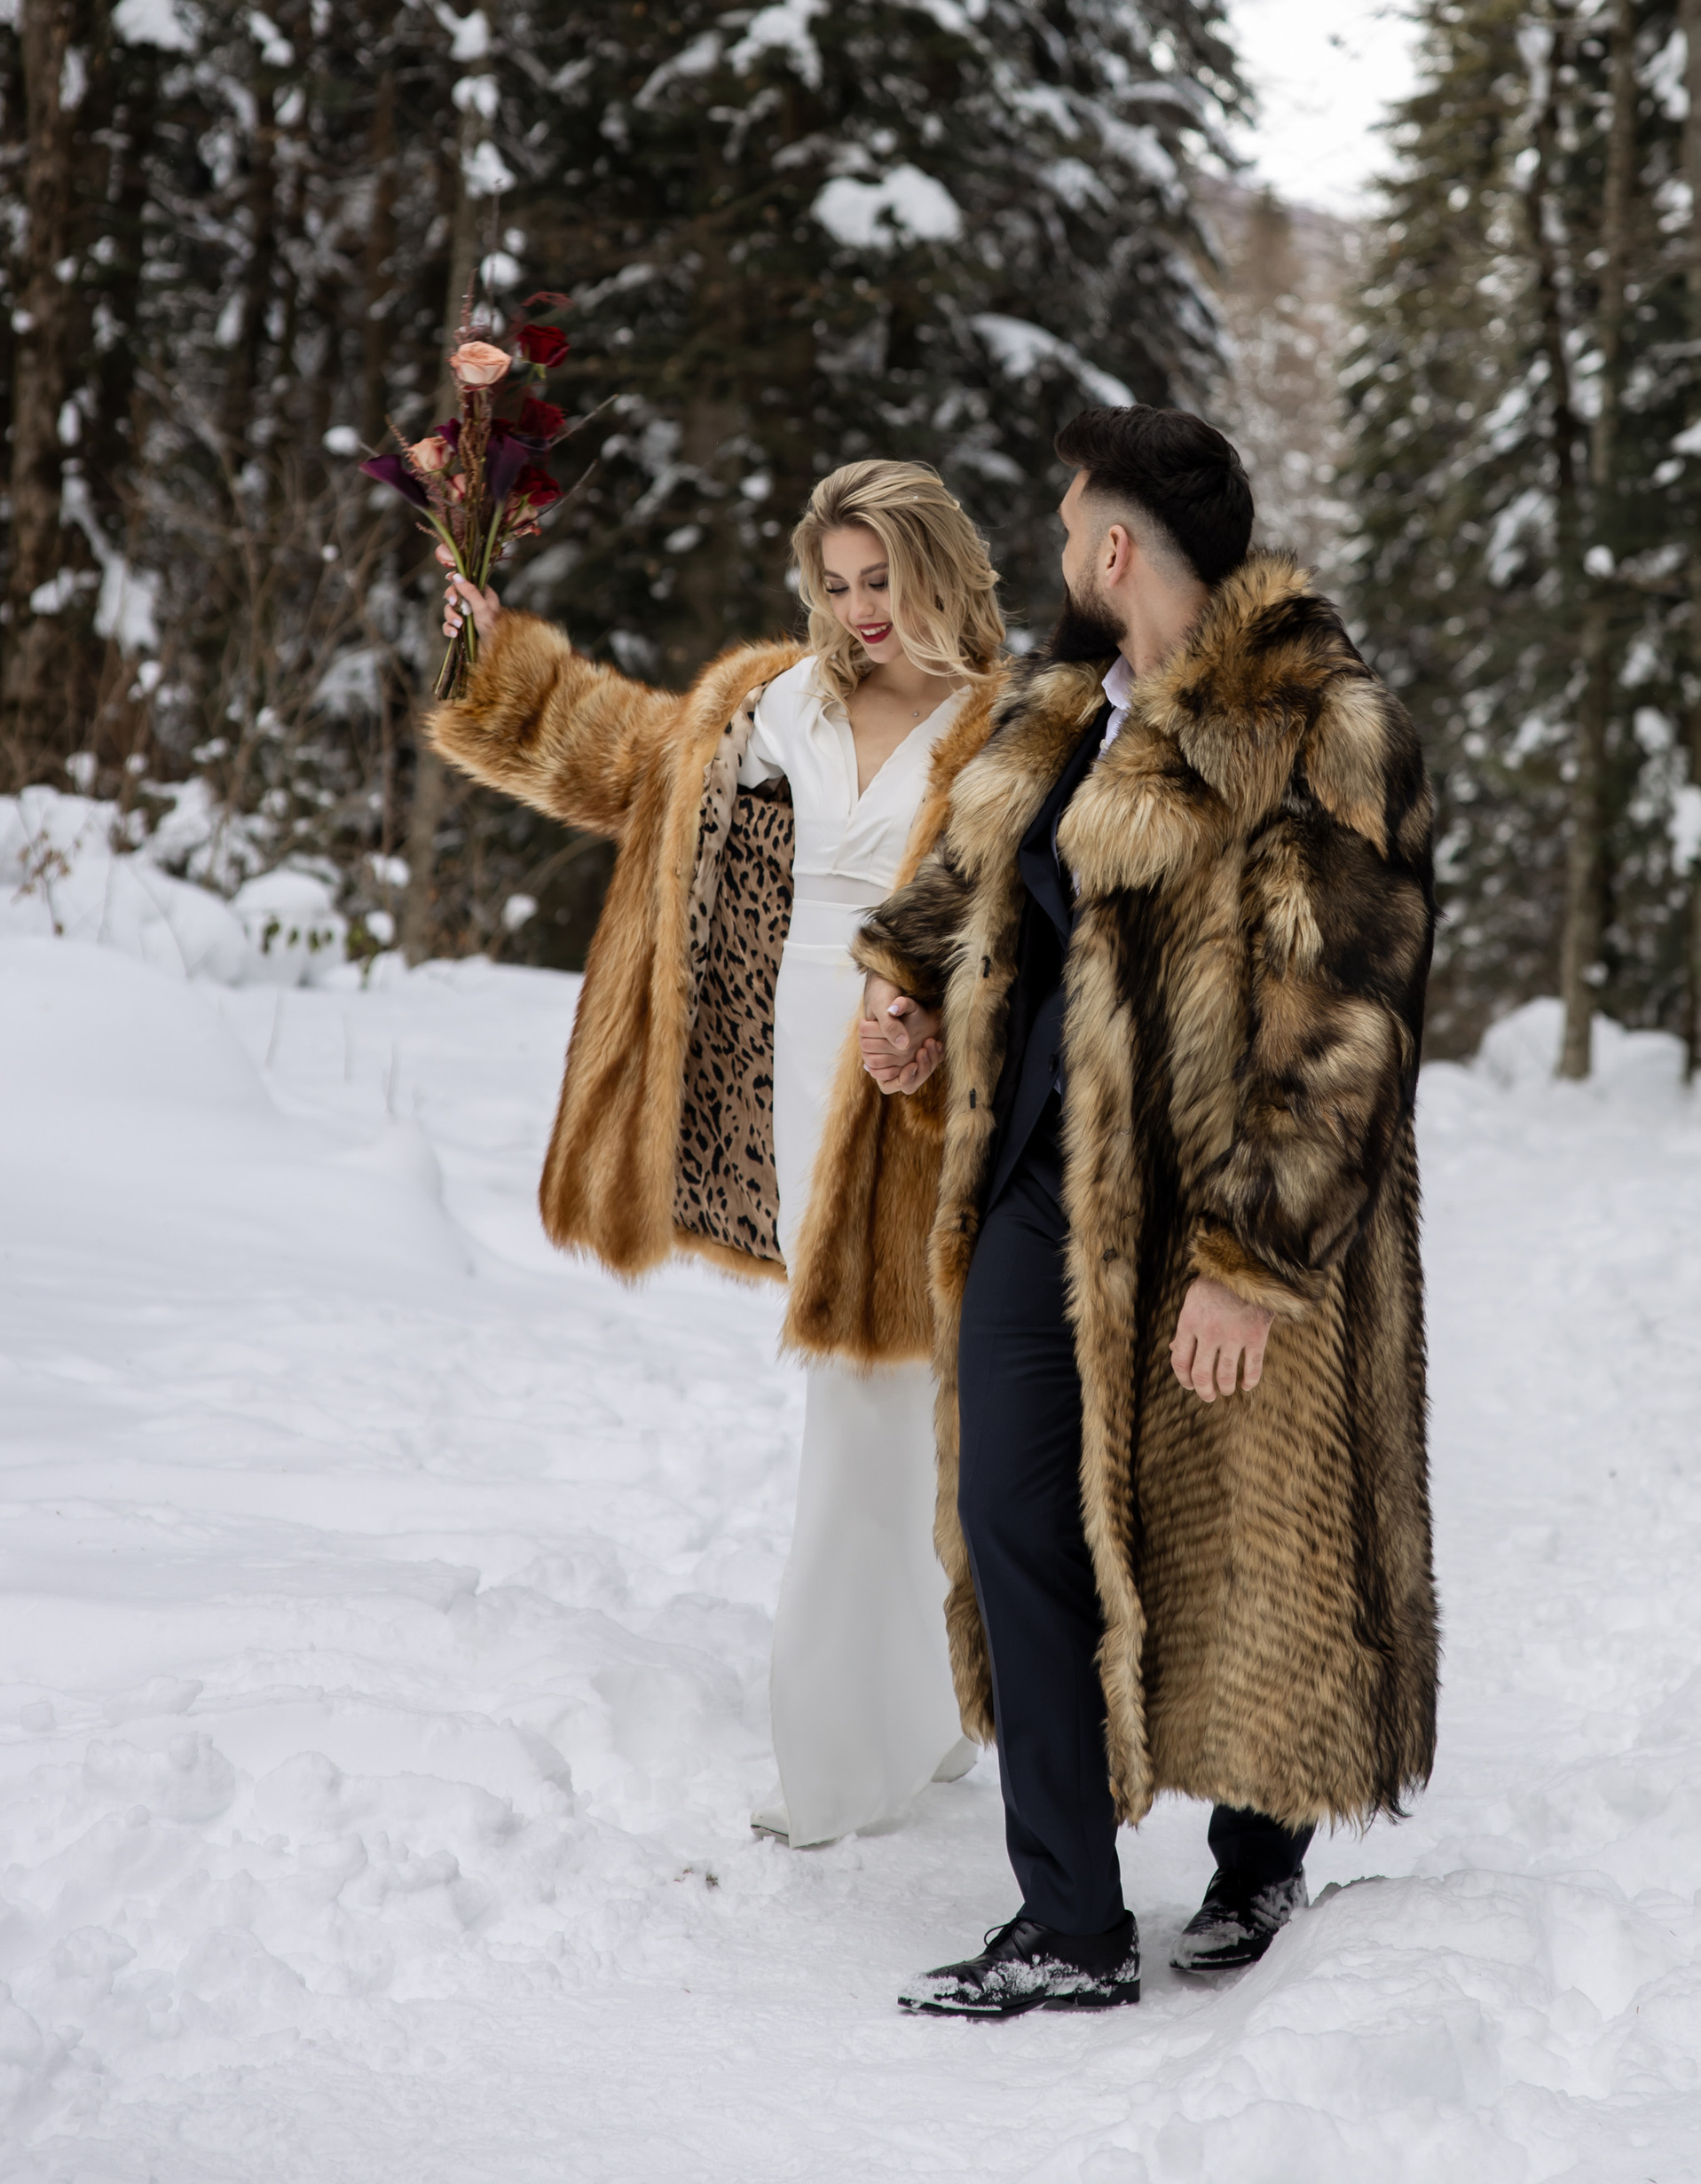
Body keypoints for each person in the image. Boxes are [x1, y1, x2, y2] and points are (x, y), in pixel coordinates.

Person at [855, 405, 1439, 2018]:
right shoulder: (1059, 709)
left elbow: (1347, 1015)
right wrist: (911, 991)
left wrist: (1252, 1264)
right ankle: (1068, 1919)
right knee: (1014, 1514)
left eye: (1063, 527)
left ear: (1117, 548)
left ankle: (1261, 1860)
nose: (1054, 556)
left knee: (1258, 1529)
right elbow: (975, 889)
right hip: (1047, 1171)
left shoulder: (1320, 721)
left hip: (1230, 1198)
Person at [427, 458, 1007, 1847]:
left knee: (911, 1402)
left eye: (886, 580)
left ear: (944, 569)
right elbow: (608, 753)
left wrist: (940, 1011)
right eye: (838, 583)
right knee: (872, 1394)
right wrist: (489, 649)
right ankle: (873, 1744)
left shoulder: (1016, 728)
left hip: (932, 1093)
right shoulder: (768, 706)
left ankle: (875, 1742)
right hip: (786, 1072)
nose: (861, 611)